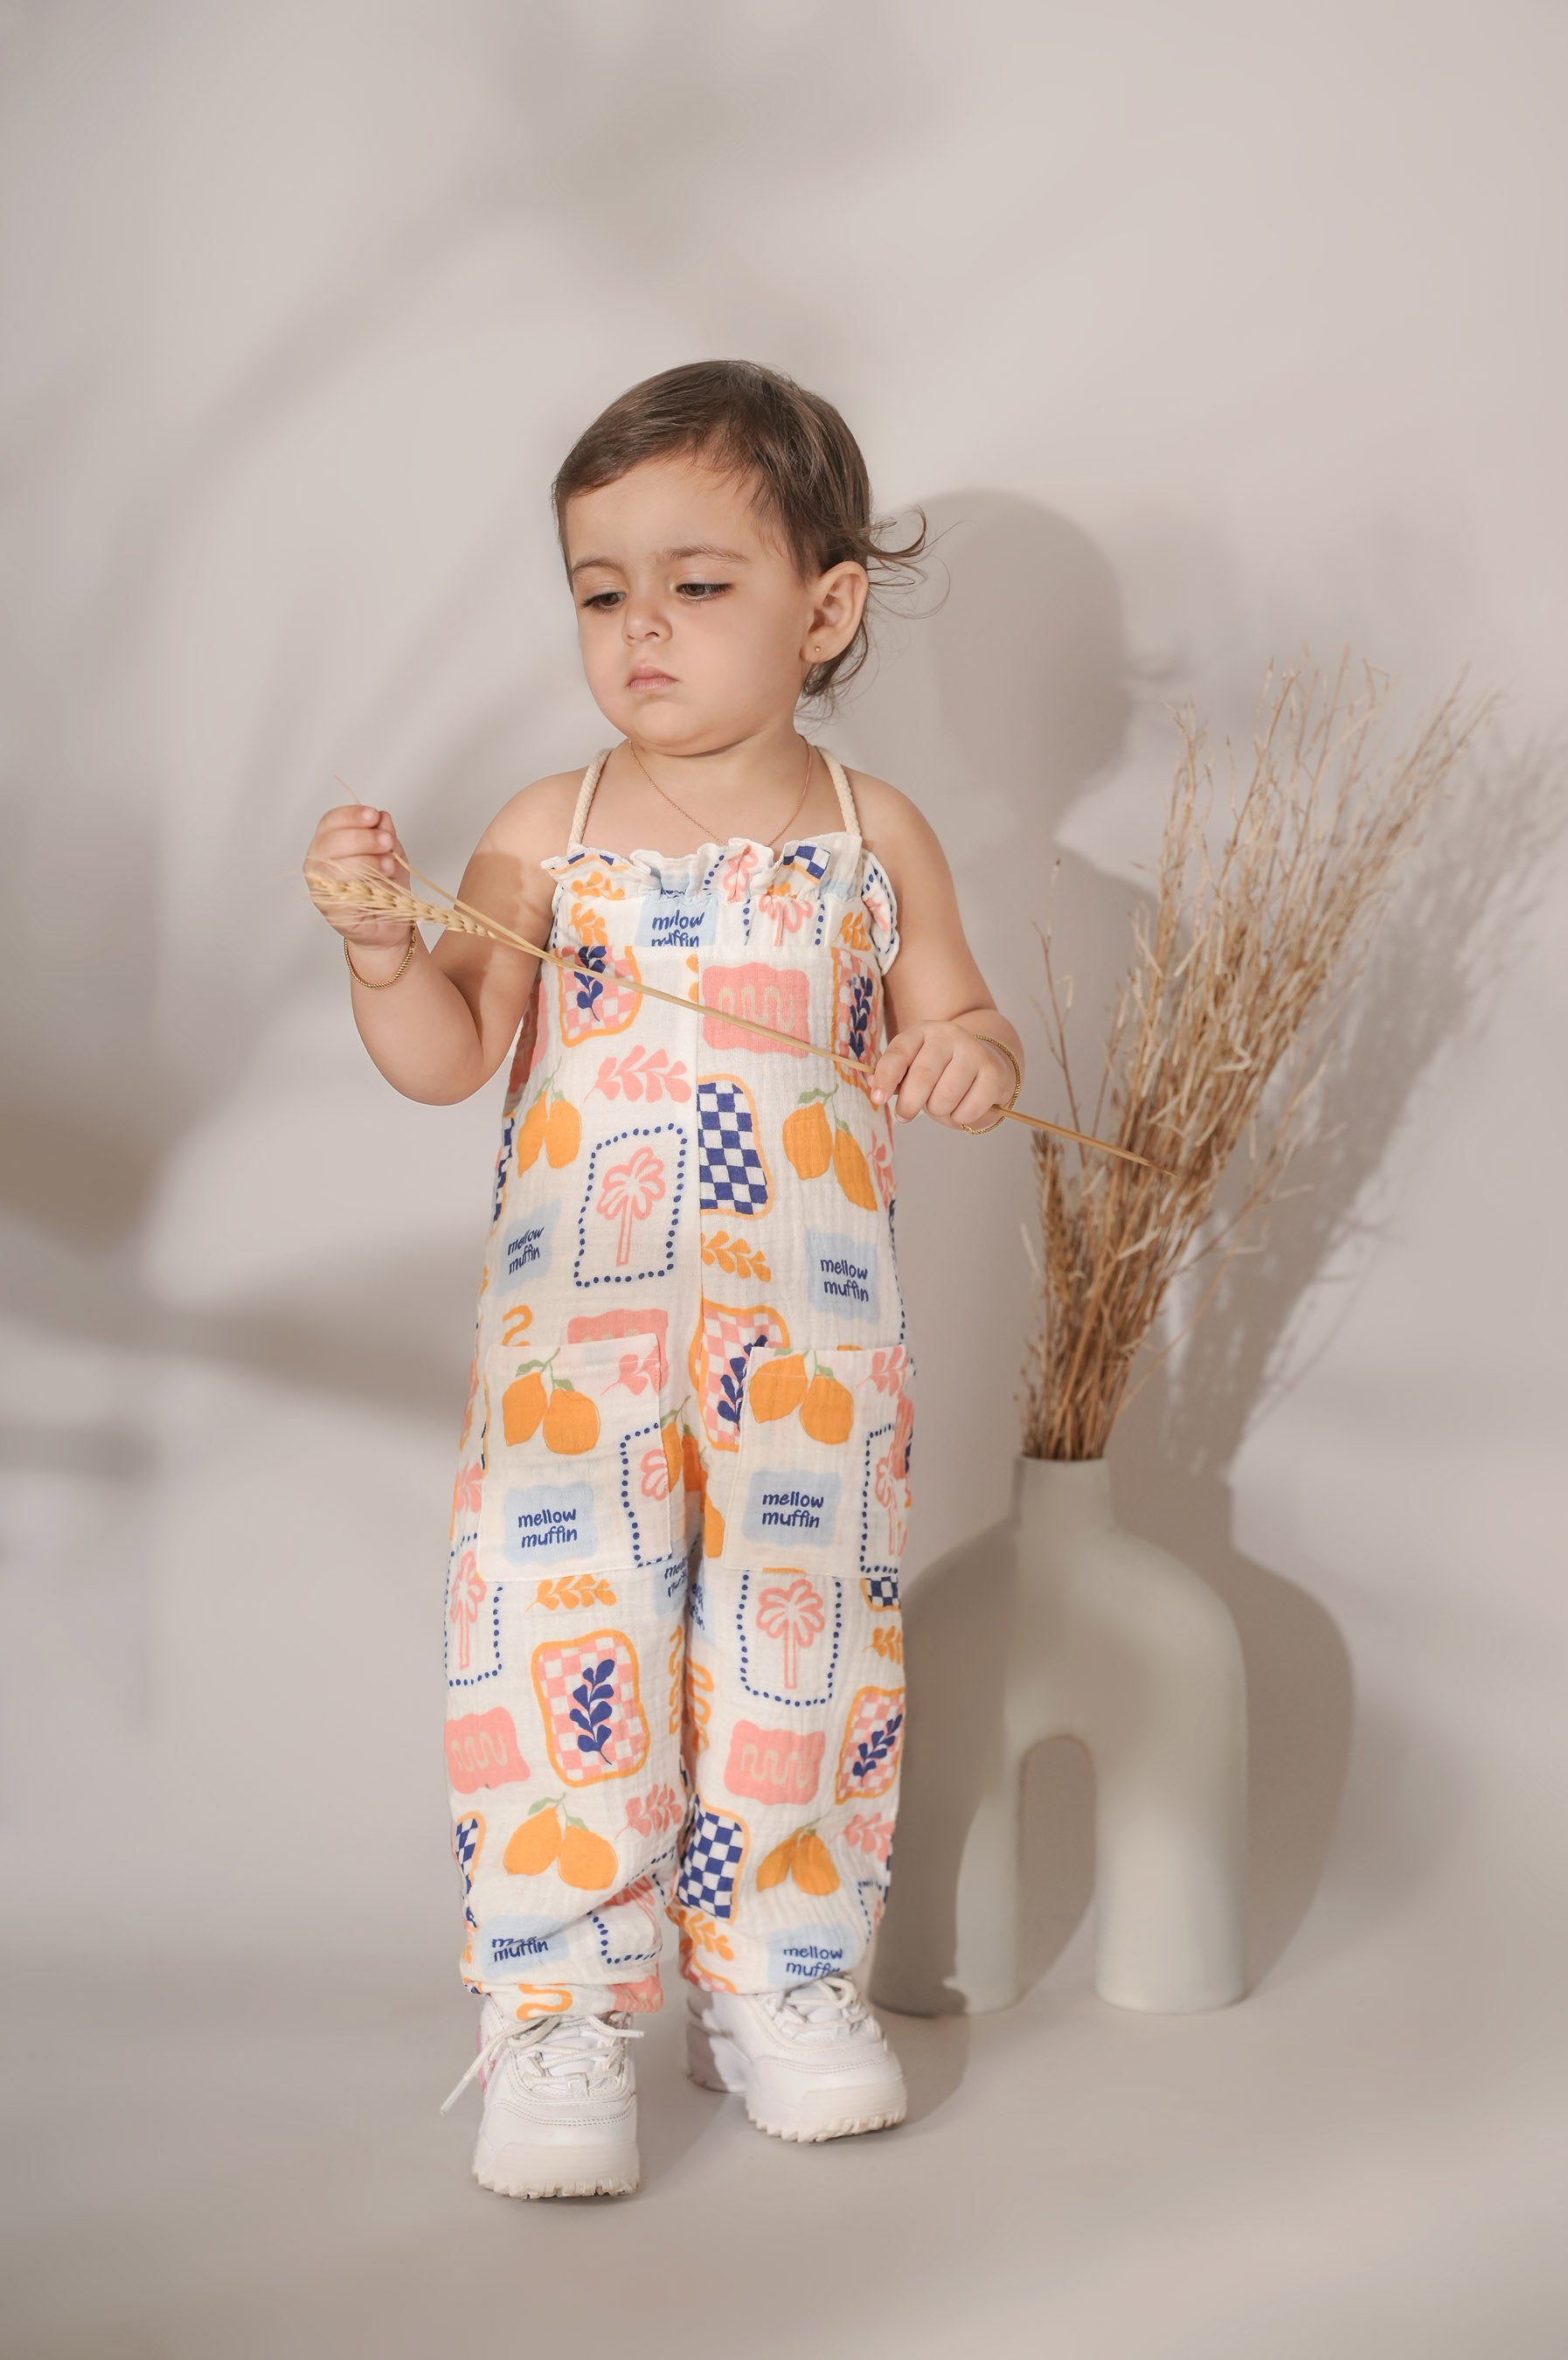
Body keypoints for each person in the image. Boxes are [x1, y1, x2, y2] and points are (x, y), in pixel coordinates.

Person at [302, 360, 1023, 2199]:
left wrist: (963, 1058)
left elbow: (966, 1022)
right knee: (563, 1642)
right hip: (579, 1353)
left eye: (697, 585)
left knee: (806, 1646)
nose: (641, 629)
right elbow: (452, 1054)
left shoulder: (873, 834)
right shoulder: (547, 831)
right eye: (601, 590)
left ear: (825, 609)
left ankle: (785, 1977)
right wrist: (385, 956)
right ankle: (559, 2008)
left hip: (813, 1352)